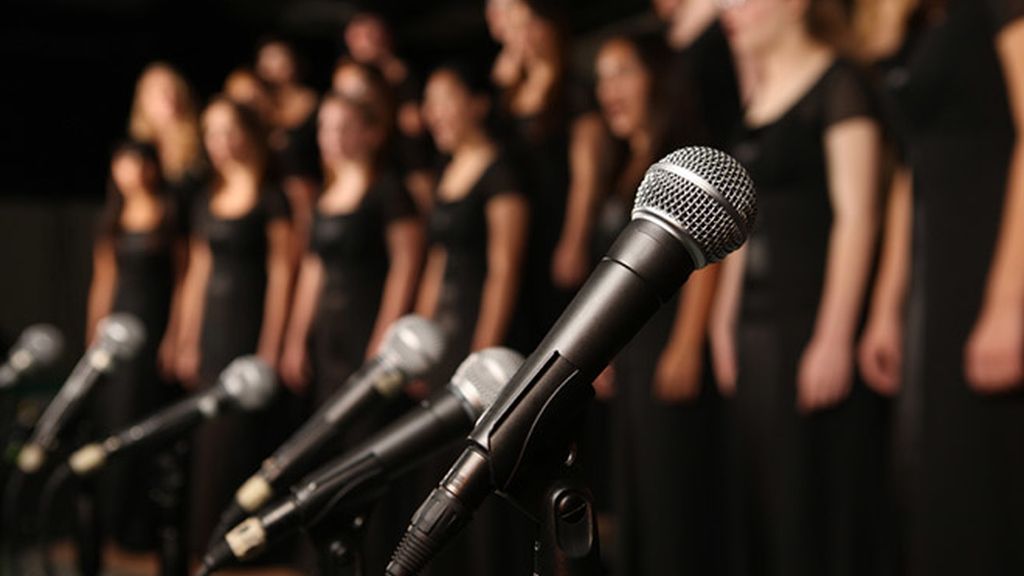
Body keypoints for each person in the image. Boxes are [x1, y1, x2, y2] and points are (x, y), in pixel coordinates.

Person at [709, 1, 887, 574]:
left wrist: (834, 335)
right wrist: (722, 321)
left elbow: (859, 216)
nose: (726, 10)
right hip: (755, 328)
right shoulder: (755, 98)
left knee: (810, 503)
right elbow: (743, 221)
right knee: (761, 503)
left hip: (808, 321)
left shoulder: (839, 83)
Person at [856, 0, 1024, 573]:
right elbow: (911, 172)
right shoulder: (913, 23)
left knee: (986, 479)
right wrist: (886, 308)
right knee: (933, 479)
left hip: (992, 258)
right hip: (936, 275)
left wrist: (1008, 302)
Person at [592, 33, 724, 576]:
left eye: (622, 71)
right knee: (636, 494)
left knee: (671, 497)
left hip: (669, 339)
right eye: (601, 77)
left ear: (657, 77)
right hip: (633, 349)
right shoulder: (624, 161)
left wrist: (689, 341)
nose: (609, 90)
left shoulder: (682, 157)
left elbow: (710, 256)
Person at [415, 63, 531, 576]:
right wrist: (420, 333)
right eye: (428, 103)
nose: (434, 114)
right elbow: (438, 262)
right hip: (446, 331)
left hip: (482, 333)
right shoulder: (447, 171)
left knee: (480, 462)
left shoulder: (500, 171)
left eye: (446, 99)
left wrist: (481, 357)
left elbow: (504, 269)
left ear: (477, 104)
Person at [175, 97, 294, 570]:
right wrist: (184, 337)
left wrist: (271, 346)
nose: (220, 142)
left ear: (249, 132)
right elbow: (198, 273)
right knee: (210, 442)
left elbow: (284, 274)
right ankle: (207, 546)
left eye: (229, 130)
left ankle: (247, 547)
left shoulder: (272, 196)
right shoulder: (207, 196)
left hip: (250, 326)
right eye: (211, 132)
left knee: (244, 440)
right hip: (213, 331)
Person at [86, 140, 183, 561]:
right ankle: (114, 524)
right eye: (125, 162)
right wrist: (96, 338)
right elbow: (103, 281)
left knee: (147, 418)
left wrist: (177, 334)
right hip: (119, 331)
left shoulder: (169, 212)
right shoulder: (112, 217)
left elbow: (184, 278)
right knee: (114, 420)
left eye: (141, 162)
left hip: (156, 324)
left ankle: (144, 527)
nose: (134, 171)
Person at [344, 12, 435, 212]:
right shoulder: (350, 75)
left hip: (406, 156)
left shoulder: (401, 72)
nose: (367, 42)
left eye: (372, 35)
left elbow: (413, 122)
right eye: (358, 37)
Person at [255, 38, 321, 263]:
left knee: (307, 254)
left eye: (281, 57)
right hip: (270, 194)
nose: (276, 65)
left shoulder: (313, 102)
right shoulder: (260, 106)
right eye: (269, 58)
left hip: (303, 193)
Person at [128, 62, 207, 230]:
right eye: (160, 92)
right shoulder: (137, 151)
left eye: (173, 89)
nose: (169, 97)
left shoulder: (202, 143)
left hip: (195, 230)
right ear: (143, 101)